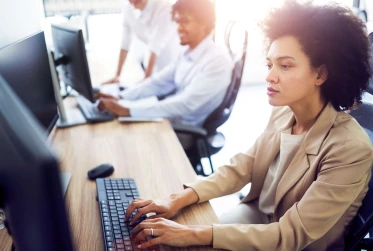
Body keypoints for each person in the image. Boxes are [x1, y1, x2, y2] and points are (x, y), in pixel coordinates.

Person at [122, 1, 373, 250]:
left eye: (285, 66)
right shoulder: (283, 114)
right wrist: (175, 200)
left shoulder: (350, 148)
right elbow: (243, 166)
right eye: (269, 64)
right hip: (257, 219)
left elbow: (290, 234)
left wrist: (190, 233)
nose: (270, 76)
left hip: (293, 243)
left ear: (320, 74)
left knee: (184, 239)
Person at [97, 0, 233, 148]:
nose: (179, 28)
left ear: (205, 23)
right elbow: (158, 82)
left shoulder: (217, 61)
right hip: (171, 120)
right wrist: (121, 97)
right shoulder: (187, 53)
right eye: (177, 21)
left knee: (118, 139)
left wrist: (128, 110)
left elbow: (184, 104)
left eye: (185, 21)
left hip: (184, 131)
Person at [102, 0, 181, 84]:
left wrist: (145, 81)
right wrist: (117, 76)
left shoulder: (164, 6)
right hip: (149, 62)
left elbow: (156, 45)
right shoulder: (128, 9)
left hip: (170, 60)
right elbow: (125, 43)